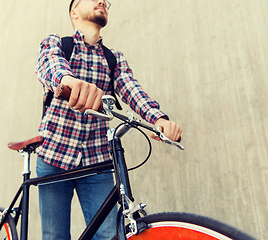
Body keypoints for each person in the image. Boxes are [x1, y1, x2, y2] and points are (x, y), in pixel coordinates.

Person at [35, 0, 182, 239]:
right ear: (74, 12)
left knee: (108, 235)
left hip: (96, 161)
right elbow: (49, 64)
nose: (102, 1)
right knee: (54, 235)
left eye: (104, 0)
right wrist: (68, 81)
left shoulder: (113, 59)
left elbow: (132, 89)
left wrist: (159, 119)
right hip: (54, 155)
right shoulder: (58, 44)